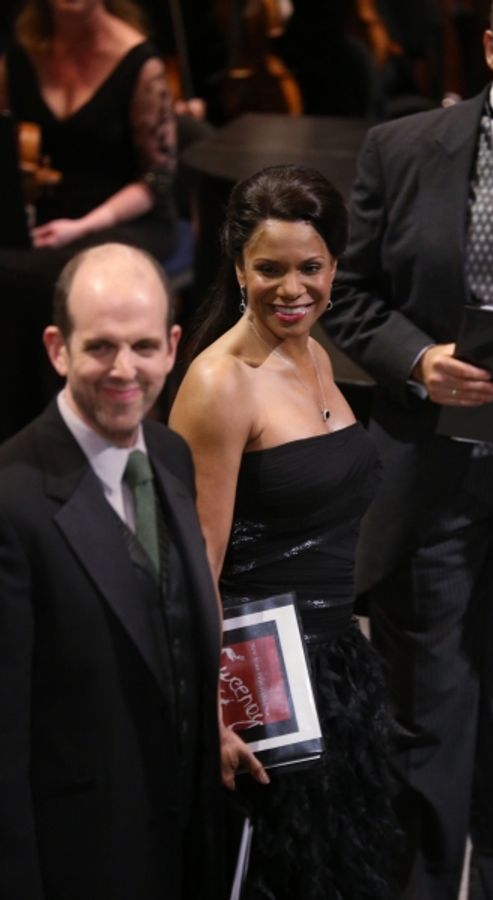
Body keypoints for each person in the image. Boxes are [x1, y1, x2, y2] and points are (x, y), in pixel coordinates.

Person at [322, 0, 493, 897]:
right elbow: (351, 296)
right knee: (426, 722)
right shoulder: (400, 151)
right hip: (431, 484)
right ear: (490, 48)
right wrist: (418, 361)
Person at [168, 163, 404, 900]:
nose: (293, 289)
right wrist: (207, 708)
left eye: (311, 267)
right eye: (270, 269)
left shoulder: (317, 356)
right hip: (264, 687)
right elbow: (194, 562)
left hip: (339, 667)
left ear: (336, 265)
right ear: (238, 267)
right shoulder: (218, 384)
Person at [0, 243, 223, 900]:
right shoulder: (11, 506)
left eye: (144, 346)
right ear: (57, 348)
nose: (125, 369)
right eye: (100, 347)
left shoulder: (174, 457)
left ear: (173, 346)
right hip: (82, 862)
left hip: (183, 844)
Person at [0, 0, 178, 439]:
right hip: (45, 217)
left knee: (37, 277)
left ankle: (43, 433)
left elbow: (157, 178)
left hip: (126, 217)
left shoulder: (139, 61)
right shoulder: (22, 51)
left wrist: (85, 225)